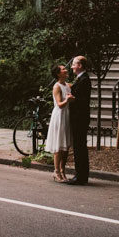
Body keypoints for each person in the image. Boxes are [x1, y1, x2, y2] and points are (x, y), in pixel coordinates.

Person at [45, 64, 73, 183]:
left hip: (67, 115)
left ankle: (63, 170)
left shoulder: (68, 85)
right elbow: (59, 104)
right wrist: (67, 100)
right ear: (58, 73)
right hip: (59, 116)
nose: (66, 70)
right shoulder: (56, 87)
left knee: (65, 146)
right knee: (59, 144)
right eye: (63, 69)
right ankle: (56, 171)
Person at [68, 55, 91, 185]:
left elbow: (83, 100)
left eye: (74, 64)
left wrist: (73, 98)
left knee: (79, 146)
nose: (72, 66)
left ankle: (81, 176)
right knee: (79, 146)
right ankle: (81, 174)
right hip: (78, 117)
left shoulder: (84, 80)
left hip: (80, 118)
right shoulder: (80, 79)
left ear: (80, 66)